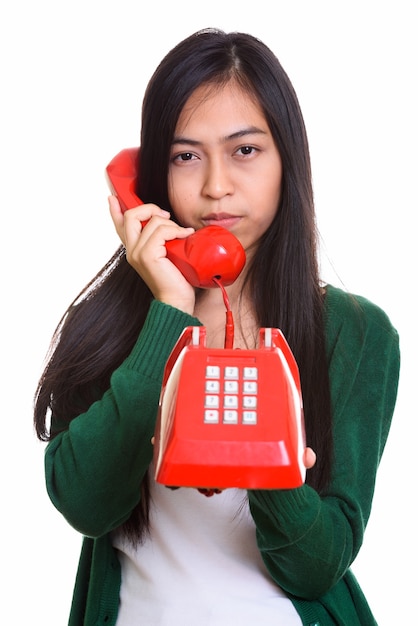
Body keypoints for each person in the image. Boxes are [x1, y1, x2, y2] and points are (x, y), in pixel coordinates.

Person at [34, 28, 400, 626]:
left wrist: (266, 462)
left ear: (288, 161)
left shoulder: (356, 333)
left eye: (245, 150)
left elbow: (317, 564)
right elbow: (85, 503)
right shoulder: (112, 324)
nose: (215, 186)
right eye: (186, 156)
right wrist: (169, 310)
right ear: (151, 176)